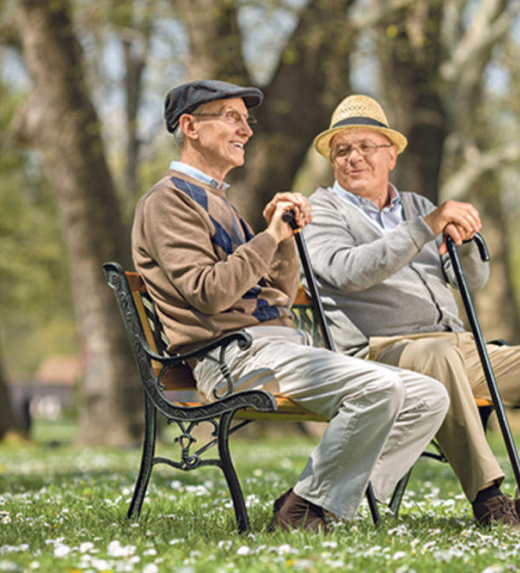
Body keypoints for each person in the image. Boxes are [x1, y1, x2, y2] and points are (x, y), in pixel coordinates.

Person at [131, 81, 449, 533]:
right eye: (231, 117)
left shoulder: (220, 203)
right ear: (189, 127)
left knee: (429, 396)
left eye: (247, 120)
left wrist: (285, 242)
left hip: (275, 349)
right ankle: (305, 512)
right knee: (380, 388)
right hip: (232, 358)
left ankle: (314, 503)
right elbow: (208, 293)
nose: (245, 129)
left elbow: (274, 294)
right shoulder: (168, 202)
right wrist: (269, 238)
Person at [303, 94, 520, 529]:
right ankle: (489, 498)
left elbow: (470, 282)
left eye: (365, 146)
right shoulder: (323, 209)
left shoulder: (418, 205)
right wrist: (425, 227)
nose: (352, 158)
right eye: (341, 150)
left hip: (459, 347)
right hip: (381, 354)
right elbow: (347, 272)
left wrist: (466, 242)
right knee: (437, 359)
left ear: (391, 154)